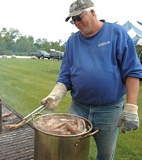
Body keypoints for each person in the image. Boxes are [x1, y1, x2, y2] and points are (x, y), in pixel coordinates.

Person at [41, 0, 142, 159]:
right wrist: (56, 94)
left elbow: (133, 71)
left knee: (105, 154)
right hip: (78, 107)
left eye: (79, 18)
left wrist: (131, 107)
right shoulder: (73, 41)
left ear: (93, 12)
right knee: (70, 151)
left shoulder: (116, 33)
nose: (77, 23)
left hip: (109, 109)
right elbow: (65, 74)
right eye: (73, 21)